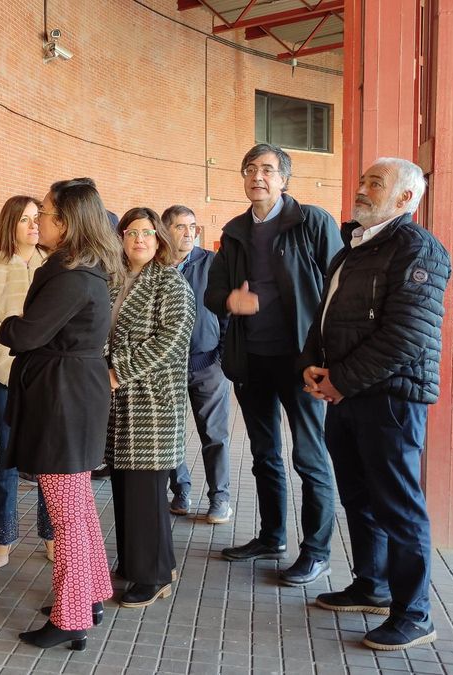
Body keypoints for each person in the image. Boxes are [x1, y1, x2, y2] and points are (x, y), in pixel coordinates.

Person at [300, 158, 450, 651]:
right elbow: (324, 317)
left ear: (406, 199)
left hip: (390, 401)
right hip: (346, 396)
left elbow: (406, 337)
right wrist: (312, 364)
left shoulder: (417, 249)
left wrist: (339, 380)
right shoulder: (353, 249)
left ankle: (415, 613)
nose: (362, 189)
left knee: (399, 507)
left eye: (375, 183)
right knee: (359, 497)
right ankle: (373, 585)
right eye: (363, 180)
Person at [204, 143, 341, 587]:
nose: (257, 177)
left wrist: (329, 358)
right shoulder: (235, 230)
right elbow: (211, 292)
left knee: (310, 456)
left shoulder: (311, 221)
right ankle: (272, 536)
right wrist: (230, 300)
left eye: (267, 170)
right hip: (253, 362)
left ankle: (317, 551)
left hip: (301, 362)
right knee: (265, 455)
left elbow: (340, 289)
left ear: (284, 178)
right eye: (249, 169)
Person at [0, 178, 122, 650]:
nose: (41, 219)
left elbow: (27, 333)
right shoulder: (79, 268)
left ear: (67, 222)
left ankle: (72, 618)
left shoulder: (71, 274)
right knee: (79, 508)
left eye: (46, 212)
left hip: (64, 399)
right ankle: (88, 596)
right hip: (71, 393)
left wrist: (7, 325)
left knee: (67, 514)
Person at [106, 207, 195, 608]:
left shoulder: (171, 284)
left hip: (153, 403)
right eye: (131, 232)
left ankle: (154, 576)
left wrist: (115, 371)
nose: (139, 240)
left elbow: (166, 344)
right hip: (121, 402)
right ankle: (135, 564)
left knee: (145, 493)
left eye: (147, 232)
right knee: (126, 488)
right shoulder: (117, 279)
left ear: (159, 239)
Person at [0, 195, 55, 569]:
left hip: (47, 379)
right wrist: (11, 371)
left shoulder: (53, 265)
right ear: (11, 225)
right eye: (25, 220)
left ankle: (51, 535)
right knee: (7, 457)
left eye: (38, 218)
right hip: (6, 379)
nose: (34, 225)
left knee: (48, 459)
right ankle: (3, 538)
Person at [163, 205, 233, 524]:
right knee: (170, 433)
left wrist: (222, 355)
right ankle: (181, 490)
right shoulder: (157, 267)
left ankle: (220, 498)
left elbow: (227, 312)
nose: (189, 232)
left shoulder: (212, 263)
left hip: (208, 365)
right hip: (167, 369)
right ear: (166, 230)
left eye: (193, 226)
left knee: (214, 435)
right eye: (180, 226)